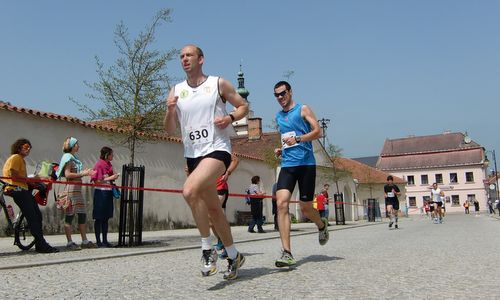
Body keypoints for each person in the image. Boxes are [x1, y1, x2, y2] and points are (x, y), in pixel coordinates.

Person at [163, 44, 249, 280]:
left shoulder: (218, 84)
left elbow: (243, 106)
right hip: (193, 155)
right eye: (181, 56)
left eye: (189, 55)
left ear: (201, 59)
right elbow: (170, 129)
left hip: (218, 149)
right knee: (213, 211)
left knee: (189, 190)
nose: (184, 59)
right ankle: (233, 255)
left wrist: (229, 117)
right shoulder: (176, 90)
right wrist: (170, 110)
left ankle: (207, 250)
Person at [272, 80, 329, 268]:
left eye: (283, 93)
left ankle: (321, 225)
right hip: (288, 164)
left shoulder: (302, 109)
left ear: (290, 92)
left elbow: (317, 131)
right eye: (277, 95)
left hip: (306, 164)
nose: (280, 97)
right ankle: (287, 252)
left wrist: (298, 138)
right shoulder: (279, 116)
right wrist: (281, 149)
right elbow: (287, 139)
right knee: (281, 204)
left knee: (305, 208)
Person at [2, 138, 58, 253]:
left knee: (37, 215)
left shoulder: (20, 160)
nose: (28, 150)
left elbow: (21, 178)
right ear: (19, 147)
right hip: (17, 189)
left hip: (21, 188)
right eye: (26, 147)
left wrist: (34, 182)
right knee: (34, 217)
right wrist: (32, 179)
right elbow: (14, 176)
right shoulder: (16, 158)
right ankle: (41, 244)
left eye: (29, 148)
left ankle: (39, 243)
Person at [56, 137, 97, 250]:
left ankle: (84, 240)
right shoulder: (68, 158)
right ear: (73, 146)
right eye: (77, 144)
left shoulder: (74, 158)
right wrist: (83, 173)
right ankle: (69, 242)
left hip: (77, 190)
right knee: (70, 215)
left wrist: (85, 173)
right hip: (71, 189)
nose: (78, 146)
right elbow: (68, 174)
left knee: (82, 214)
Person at [91, 147, 120, 248]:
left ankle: (105, 240)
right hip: (100, 192)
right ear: (107, 154)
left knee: (106, 218)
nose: (113, 156)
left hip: (108, 192)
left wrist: (114, 176)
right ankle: (98, 241)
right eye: (111, 154)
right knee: (99, 218)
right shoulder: (99, 165)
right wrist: (110, 178)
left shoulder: (109, 165)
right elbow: (96, 181)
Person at [214, 153, 239, 259]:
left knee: (216, 214)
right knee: (211, 221)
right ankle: (223, 242)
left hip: (220, 186)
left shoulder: (220, 147)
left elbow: (235, 159)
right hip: (209, 187)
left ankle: (226, 245)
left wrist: (227, 173)